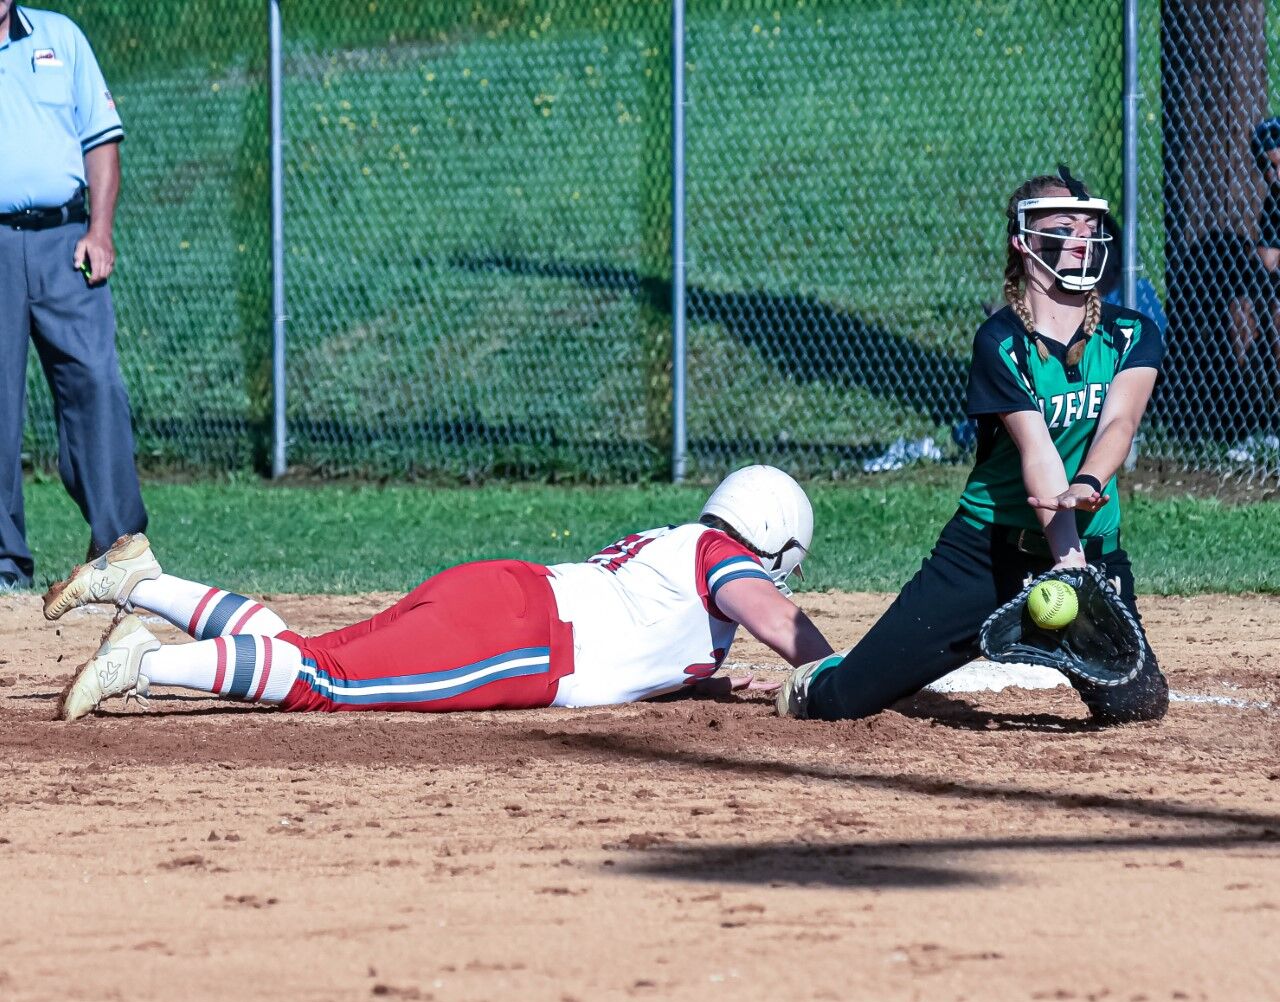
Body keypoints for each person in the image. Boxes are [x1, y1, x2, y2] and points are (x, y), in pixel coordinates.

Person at [777, 170, 1168, 727]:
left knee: (1138, 707)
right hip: (988, 554)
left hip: (1092, 548)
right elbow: (1038, 455)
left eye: (1090, 225)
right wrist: (1067, 559)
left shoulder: (1131, 333)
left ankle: (1056, 631)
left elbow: (1119, 425)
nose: (1083, 237)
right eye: (1064, 226)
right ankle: (818, 678)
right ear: (1023, 241)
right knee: (842, 704)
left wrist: (1089, 489)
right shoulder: (1002, 341)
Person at [50, 465, 835, 721]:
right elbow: (775, 616)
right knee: (323, 683)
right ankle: (144, 666)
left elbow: (654, 643)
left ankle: (145, 584)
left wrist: (720, 683)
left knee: (308, 656)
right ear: (770, 539)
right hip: (526, 641)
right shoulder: (721, 557)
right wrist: (836, 676)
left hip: (507, 597)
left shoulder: (682, 541)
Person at [0, 2, 146, 591]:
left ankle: (120, 551)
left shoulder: (60, 37)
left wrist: (100, 230)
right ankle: (4, 567)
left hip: (68, 241)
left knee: (97, 386)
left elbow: (101, 140)